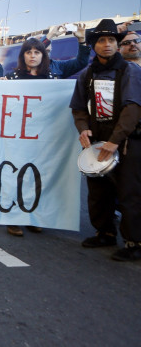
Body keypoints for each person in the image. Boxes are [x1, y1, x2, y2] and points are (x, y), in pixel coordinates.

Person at [69, 19, 141, 261]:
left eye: (111, 40)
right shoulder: (87, 74)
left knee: (130, 192)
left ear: (117, 44)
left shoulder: (130, 71)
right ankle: (105, 232)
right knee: (98, 190)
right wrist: (83, 128)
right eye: (101, 40)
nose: (107, 44)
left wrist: (115, 141)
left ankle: (135, 242)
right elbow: (78, 108)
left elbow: (132, 108)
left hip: (127, 140)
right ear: (93, 45)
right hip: (97, 138)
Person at [1, 38, 61, 236]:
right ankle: (14, 218)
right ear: (23, 55)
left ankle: (33, 216)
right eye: (29, 52)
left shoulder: (52, 79)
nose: (33, 56)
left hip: (43, 136)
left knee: (38, 176)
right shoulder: (12, 78)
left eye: (37, 52)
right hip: (18, 135)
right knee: (17, 175)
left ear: (43, 56)